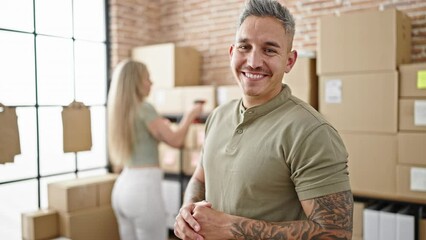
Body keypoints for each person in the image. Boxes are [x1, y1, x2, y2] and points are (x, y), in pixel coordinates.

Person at [173, 0, 353, 239]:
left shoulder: (310, 131)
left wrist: (232, 228)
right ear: (231, 52)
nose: (253, 61)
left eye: (269, 50)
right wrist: (188, 209)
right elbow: (200, 176)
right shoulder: (218, 116)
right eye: (244, 47)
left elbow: (336, 233)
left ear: (289, 61)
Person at [107, 59, 204, 240]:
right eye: (147, 78)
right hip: (143, 190)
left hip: (122, 188)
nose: (151, 83)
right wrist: (190, 115)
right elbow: (175, 140)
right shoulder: (145, 108)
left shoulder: (121, 110)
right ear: (135, 82)